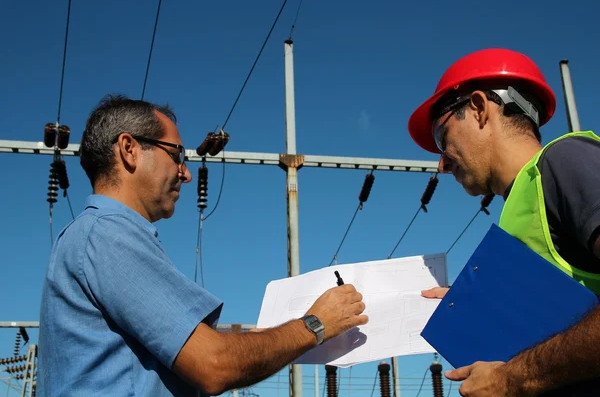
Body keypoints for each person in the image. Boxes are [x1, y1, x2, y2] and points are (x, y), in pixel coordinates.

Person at [37, 95, 368, 396]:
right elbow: (215, 364)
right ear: (129, 149)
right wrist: (314, 325)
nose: (186, 173)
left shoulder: (97, 237)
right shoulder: (105, 235)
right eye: (177, 154)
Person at [408, 48, 600, 396]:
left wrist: (515, 378)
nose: (441, 164)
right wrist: (485, 306)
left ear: (479, 109)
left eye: (442, 137)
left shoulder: (565, 161)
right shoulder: (525, 200)